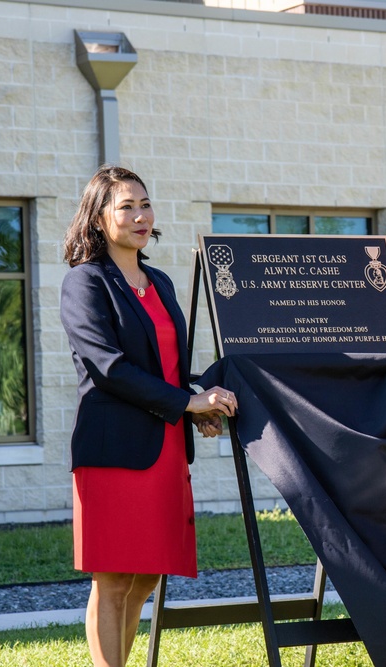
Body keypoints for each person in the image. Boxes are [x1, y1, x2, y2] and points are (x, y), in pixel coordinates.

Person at [60, 165, 237, 667]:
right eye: (126, 207)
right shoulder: (84, 282)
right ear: (98, 219)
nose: (140, 216)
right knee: (113, 577)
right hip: (114, 451)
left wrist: (192, 404)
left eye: (145, 204)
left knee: (147, 576)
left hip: (164, 450)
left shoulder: (157, 281)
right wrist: (185, 403)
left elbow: (167, 364)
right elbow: (109, 366)